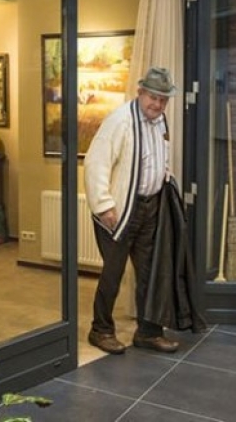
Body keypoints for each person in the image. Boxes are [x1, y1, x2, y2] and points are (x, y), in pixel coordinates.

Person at [83, 66, 180, 354]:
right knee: (113, 273)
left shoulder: (160, 122)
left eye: (163, 99)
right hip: (119, 210)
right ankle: (100, 330)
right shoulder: (120, 121)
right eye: (153, 97)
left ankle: (148, 332)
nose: (158, 104)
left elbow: (158, 159)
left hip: (150, 209)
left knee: (150, 273)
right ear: (140, 93)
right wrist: (103, 205)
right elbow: (95, 162)